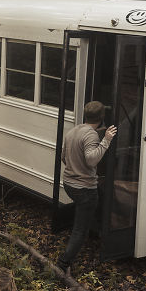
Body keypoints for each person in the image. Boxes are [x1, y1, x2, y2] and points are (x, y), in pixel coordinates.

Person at [57, 100, 117, 274]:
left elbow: (63, 157)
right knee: (79, 231)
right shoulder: (91, 135)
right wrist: (106, 140)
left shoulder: (73, 131)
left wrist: (76, 165)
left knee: (99, 199)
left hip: (69, 183)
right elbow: (92, 160)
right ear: (102, 117)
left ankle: (100, 233)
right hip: (84, 189)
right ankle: (63, 264)